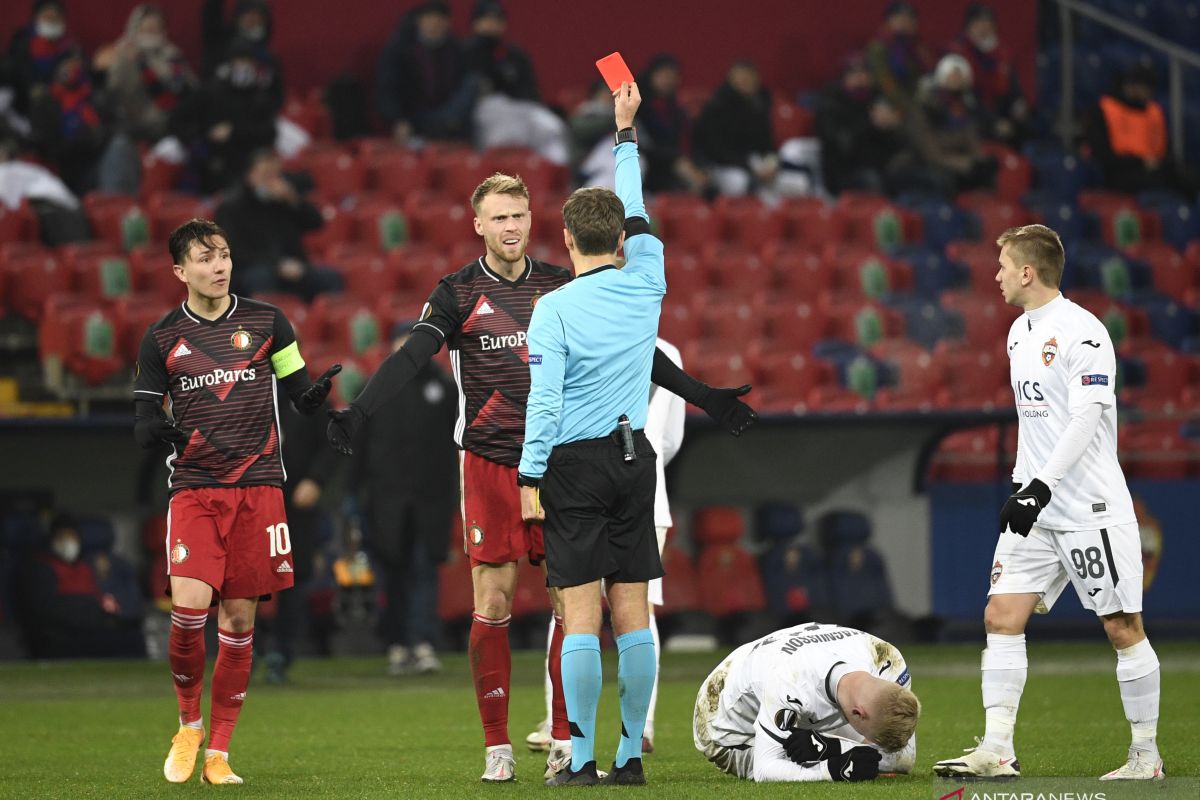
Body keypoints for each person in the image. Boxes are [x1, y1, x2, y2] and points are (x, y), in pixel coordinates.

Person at [326, 169, 756, 781]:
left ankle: (564, 738)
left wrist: (705, 397)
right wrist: (360, 412)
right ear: (477, 224)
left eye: (519, 216)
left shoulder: (558, 287)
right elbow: (409, 357)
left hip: (556, 464)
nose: (510, 227)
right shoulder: (455, 293)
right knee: (493, 601)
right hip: (487, 463)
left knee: (567, 602)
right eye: (498, 217)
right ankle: (497, 746)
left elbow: (637, 349)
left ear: (535, 221)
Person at [932, 224, 1164, 781]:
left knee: (1122, 625)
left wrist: (1043, 485)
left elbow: (1088, 417)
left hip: (1088, 506)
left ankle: (1145, 757)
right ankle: (996, 750)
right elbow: (1033, 423)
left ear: (1028, 272)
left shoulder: (1084, 332)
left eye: (1004, 266)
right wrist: (1024, 484)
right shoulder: (1017, 332)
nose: (997, 276)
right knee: (1001, 615)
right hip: (1035, 507)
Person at [133, 218, 340, 786]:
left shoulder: (269, 321)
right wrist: (153, 431)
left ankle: (219, 753)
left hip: (260, 489)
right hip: (196, 490)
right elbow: (144, 419)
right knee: (187, 612)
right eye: (203, 258)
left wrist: (318, 399)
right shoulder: (160, 339)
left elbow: (300, 393)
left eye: (223, 254)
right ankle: (188, 725)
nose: (218, 265)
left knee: (241, 619)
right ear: (180, 271)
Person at [516, 80, 665, 788]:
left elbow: (543, 404)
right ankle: (631, 756)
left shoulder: (552, 310)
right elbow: (637, 210)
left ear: (567, 239)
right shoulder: (649, 281)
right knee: (632, 610)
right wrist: (625, 135)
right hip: (636, 457)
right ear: (625, 241)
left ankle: (579, 760)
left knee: (581, 612)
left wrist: (527, 476)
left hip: (572, 464)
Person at [526, 336, 685, 756]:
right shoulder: (665, 351)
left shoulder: (572, 337)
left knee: (571, 603)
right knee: (638, 609)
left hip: (579, 487)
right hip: (646, 492)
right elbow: (669, 441)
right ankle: (640, 728)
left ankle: (559, 725)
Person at [353, 320, 458, 676]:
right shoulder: (379, 386)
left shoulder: (444, 388)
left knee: (425, 570)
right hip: (386, 500)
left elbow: (456, 444)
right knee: (392, 573)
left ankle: (423, 642)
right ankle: (397, 643)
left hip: (431, 499)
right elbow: (361, 445)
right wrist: (356, 494)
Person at [693, 622, 920, 782]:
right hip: (725, 723)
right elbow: (766, 769)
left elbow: (901, 757)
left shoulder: (888, 660)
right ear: (858, 713)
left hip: (793, 676)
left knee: (901, 760)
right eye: (873, 740)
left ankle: (823, 742)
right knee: (792, 760)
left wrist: (832, 747)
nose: (871, 743)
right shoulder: (791, 683)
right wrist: (829, 769)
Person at [215, 147, 342, 301]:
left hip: (292, 267)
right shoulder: (232, 206)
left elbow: (316, 223)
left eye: (275, 175)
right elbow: (234, 251)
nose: (273, 181)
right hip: (252, 270)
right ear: (250, 175)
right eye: (266, 175)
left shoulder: (284, 200)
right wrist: (277, 265)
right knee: (261, 278)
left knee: (330, 278)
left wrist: (293, 200)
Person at [94, 4, 197, 194]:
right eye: (146, 29)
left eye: (156, 29)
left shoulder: (173, 57)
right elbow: (112, 94)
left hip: (170, 132)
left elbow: (189, 94)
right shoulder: (120, 55)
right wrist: (129, 63)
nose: (151, 34)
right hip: (130, 132)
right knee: (119, 151)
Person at [464, 0, 569, 165]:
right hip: (484, 111)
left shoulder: (514, 54)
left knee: (553, 126)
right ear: (476, 22)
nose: (492, 24)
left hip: (521, 108)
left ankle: (554, 180)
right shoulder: (465, 52)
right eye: (487, 19)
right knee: (503, 138)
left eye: (497, 20)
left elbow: (530, 90)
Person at [1087, 64, 1196, 198]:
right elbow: (1102, 155)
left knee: (1189, 179)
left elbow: (1166, 150)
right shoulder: (1105, 109)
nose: (1147, 92)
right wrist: (1139, 162)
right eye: (1142, 86)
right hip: (1121, 171)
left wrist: (1158, 163)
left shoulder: (1154, 112)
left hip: (1154, 169)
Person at [376, 0, 474, 145]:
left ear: (448, 23)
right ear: (419, 21)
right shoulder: (400, 49)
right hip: (413, 118)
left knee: (473, 84)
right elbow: (387, 87)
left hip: (450, 116)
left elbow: (461, 88)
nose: (434, 24)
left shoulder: (455, 49)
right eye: (429, 19)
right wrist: (397, 120)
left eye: (440, 20)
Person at [815, 54, 909, 196]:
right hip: (845, 173)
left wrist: (893, 127)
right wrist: (871, 123)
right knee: (874, 181)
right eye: (854, 72)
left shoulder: (877, 98)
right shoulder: (831, 103)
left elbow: (895, 145)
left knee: (923, 177)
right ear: (844, 77)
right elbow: (843, 145)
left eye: (864, 72)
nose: (860, 77)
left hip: (881, 165)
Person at [906, 53, 996, 198]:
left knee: (987, 173)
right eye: (952, 75)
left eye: (959, 76)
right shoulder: (924, 108)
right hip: (923, 163)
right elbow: (930, 153)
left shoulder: (965, 105)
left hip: (958, 161)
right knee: (946, 180)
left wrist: (980, 161)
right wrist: (968, 164)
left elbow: (972, 140)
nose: (955, 80)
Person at [947, 2, 1030, 147]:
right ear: (969, 26)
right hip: (972, 116)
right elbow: (965, 97)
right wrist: (993, 122)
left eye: (988, 22)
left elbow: (1012, 86)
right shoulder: (958, 53)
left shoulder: (1002, 52)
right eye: (979, 22)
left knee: (1030, 127)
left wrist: (1018, 104)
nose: (984, 27)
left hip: (1000, 112)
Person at [693, 60, 777, 197]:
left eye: (750, 78)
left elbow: (768, 144)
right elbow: (716, 150)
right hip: (721, 165)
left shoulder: (760, 106)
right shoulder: (717, 106)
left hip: (754, 164)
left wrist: (771, 164)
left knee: (797, 184)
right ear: (731, 80)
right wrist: (750, 167)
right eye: (742, 78)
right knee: (739, 181)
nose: (747, 82)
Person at [864, 0, 933, 114]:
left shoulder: (917, 46)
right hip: (890, 102)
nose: (905, 22)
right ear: (888, 21)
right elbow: (884, 81)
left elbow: (929, 71)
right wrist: (907, 106)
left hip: (918, 99)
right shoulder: (878, 48)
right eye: (899, 18)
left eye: (909, 18)